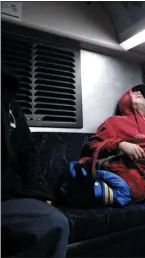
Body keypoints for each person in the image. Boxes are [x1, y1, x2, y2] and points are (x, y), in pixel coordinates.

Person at [1, 65, 69, 257]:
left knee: (55, 221)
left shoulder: (12, 108)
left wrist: (40, 192)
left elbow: (28, 154)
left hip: (9, 197)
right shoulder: (116, 125)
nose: (138, 95)